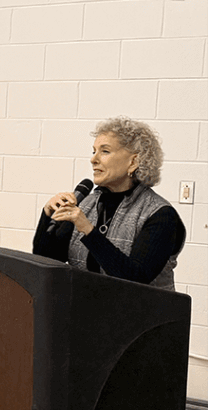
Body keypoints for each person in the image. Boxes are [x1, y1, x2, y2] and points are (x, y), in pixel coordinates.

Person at [33, 116, 185, 290]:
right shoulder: (86, 204)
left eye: (105, 151)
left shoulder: (160, 215)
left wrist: (89, 231)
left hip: (146, 315)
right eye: (93, 151)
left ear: (133, 162)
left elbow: (136, 278)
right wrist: (47, 215)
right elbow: (47, 261)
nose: (93, 159)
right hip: (89, 312)